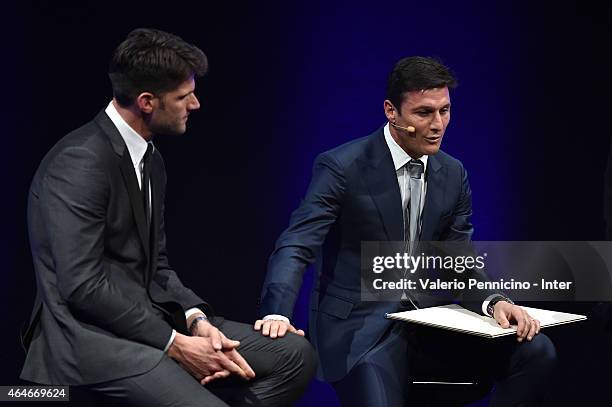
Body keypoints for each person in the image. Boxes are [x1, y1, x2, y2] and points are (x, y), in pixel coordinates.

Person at [20, 28, 315, 407]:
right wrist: (174, 343)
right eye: (183, 96)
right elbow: (82, 286)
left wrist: (196, 321)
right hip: (90, 340)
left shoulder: (150, 158)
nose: (195, 104)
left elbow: (156, 267)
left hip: (150, 322)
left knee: (293, 355)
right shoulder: (81, 161)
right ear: (146, 101)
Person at [254, 56, 557, 406]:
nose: (437, 124)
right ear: (391, 111)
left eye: (445, 111)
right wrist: (276, 311)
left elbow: (458, 258)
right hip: (361, 329)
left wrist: (494, 302)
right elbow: (297, 243)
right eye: (424, 113)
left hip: (430, 323)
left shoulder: (453, 173)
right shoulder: (342, 166)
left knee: (537, 351)